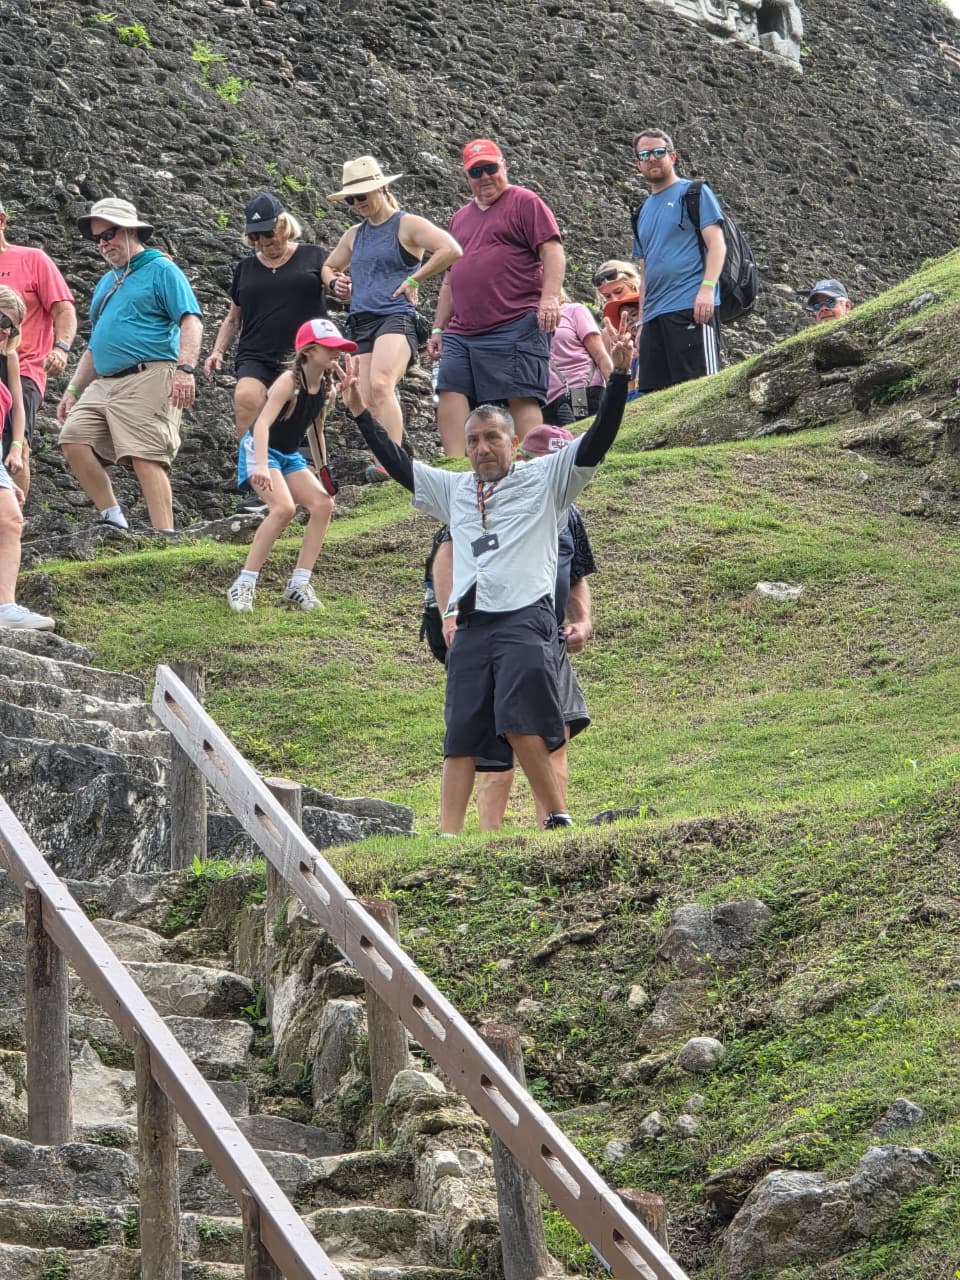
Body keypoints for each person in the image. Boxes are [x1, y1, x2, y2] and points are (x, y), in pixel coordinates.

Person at [334, 323, 635, 835]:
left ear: (514, 442)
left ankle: (556, 815)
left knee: (523, 723)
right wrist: (361, 412)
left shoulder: (547, 478)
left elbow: (600, 437)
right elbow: (399, 463)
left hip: (526, 616)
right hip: (472, 623)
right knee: (462, 731)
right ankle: (447, 835)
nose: (481, 449)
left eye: (492, 438)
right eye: (472, 441)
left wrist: (621, 376)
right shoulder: (454, 488)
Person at [432, 424, 597, 829]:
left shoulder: (568, 512)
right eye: (544, 461)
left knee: (551, 730)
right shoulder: (478, 499)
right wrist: (448, 613)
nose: (554, 470)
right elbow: (447, 556)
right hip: (491, 627)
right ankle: (491, 834)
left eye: (560, 461)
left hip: (544, 631)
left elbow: (576, 574)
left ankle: (552, 826)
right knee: (492, 730)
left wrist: (584, 620)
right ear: (522, 456)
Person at [56, 198, 203, 533]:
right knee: (73, 437)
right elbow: (95, 345)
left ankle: (165, 538)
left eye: (109, 234)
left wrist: (185, 369)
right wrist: (73, 389)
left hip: (149, 374)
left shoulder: (162, 269)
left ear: (130, 231)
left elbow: (190, 320)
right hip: (106, 381)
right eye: (97, 239)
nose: (104, 243)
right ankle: (113, 517)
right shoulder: (107, 282)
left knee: (146, 455)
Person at [322, 157, 462, 476]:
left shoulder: (406, 224)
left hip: (396, 314)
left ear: (382, 188)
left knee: (382, 383)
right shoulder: (354, 235)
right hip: (361, 319)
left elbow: (450, 249)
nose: (358, 203)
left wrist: (415, 278)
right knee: (368, 397)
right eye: (352, 199)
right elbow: (328, 266)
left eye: (363, 195)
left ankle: (393, 463)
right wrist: (335, 281)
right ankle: (387, 459)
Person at [427, 139, 565, 457]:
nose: (485, 177)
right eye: (477, 171)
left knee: (520, 394)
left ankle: (534, 461)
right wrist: (438, 327)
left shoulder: (524, 201)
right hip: (462, 330)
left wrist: (550, 298)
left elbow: (552, 249)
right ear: (467, 177)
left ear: (504, 167)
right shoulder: (460, 218)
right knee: (449, 388)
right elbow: (450, 278)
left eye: (491, 168)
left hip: (515, 318)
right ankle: (457, 468)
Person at [227, 318, 356, 614]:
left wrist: (324, 471)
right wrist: (260, 464)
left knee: (324, 504)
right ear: (309, 350)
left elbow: (315, 430)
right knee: (283, 509)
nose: (336, 353)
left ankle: (299, 583)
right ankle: (244, 583)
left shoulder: (326, 387)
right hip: (262, 449)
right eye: (330, 347)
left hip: (288, 455)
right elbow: (261, 425)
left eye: (339, 347)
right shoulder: (289, 381)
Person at [203, 193, 329, 443]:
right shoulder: (245, 269)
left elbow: (338, 290)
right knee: (246, 397)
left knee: (305, 415)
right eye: (255, 236)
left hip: (305, 353)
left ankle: (309, 470)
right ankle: (252, 471)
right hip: (256, 353)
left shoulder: (314, 255)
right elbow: (232, 318)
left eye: (268, 233)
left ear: (283, 225)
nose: (263, 241)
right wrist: (217, 351)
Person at [631, 128, 726, 391]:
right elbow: (644, 270)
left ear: (672, 156)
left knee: (700, 389)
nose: (652, 158)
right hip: (654, 318)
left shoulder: (693, 193)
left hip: (690, 307)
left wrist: (707, 289)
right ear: (637, 163)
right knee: (655, 397)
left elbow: (717, 243)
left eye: (659, 152)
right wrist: (641, 322)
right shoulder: (640, 212)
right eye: (645, 154)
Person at [0, 197, 77, 499]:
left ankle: (11, 529)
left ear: (2, 222)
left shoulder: (33, 259)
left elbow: (64, 309)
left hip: (24, 364)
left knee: (17, 443)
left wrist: (61, 348)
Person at [0, 372, 54, 629]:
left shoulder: (8, 356)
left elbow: (17, 408)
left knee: (10, 520)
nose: (6, 331)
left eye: (11, 328)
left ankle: (5, 607)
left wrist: (15, 447)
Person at [543, 291, 613, 426]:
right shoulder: (523, 323)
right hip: (547, 402)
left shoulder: (574, 311)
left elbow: (601, 356)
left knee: (587, 439)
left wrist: (616, 396)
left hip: (582, 391)